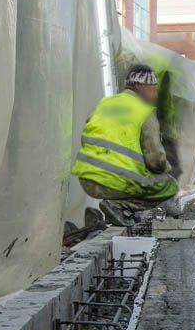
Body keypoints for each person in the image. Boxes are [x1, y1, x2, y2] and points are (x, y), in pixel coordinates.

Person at [72, 64, 179, 226]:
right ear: (140, 87)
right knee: (169, 185)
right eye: (153, 88)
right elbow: (156, 162)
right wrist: (167, 170)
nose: (155, 94)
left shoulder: (101, 105)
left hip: (88, 181)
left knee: (133, 176)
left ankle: (117, 210)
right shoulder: (144, 113)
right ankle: (120, 206)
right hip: (115, 183)